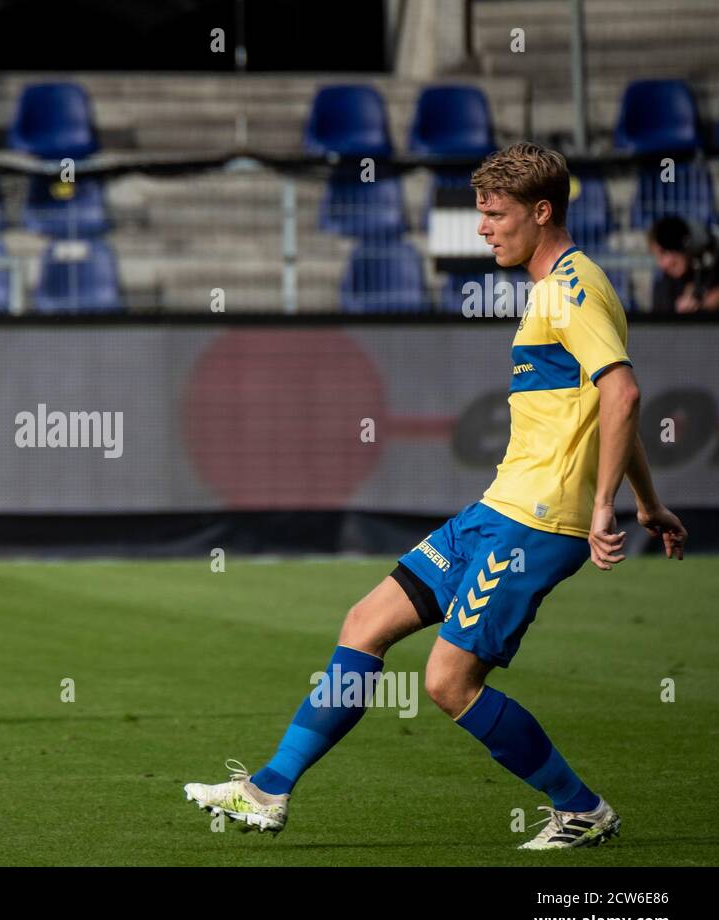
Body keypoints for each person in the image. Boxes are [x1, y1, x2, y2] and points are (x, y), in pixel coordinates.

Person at [184, 142, 688, 849]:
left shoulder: (569, 290)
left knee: (448, 682)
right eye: (479, 213)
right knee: (364, 623)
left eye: (495, 214)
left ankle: (581, 810)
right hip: (495, 511)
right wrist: (646, 500)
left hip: (535, 523)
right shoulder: (560, 289)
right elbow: (608, 406)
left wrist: (604, 505)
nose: (483, 228)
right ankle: (268, 790)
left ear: (542, 213)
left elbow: (625, 392)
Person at [647, 215, 719, 313]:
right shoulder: (663, 287)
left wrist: (704, 304)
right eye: (659, 256)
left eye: (665, 252)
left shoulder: (710, 268)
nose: (664, 264)